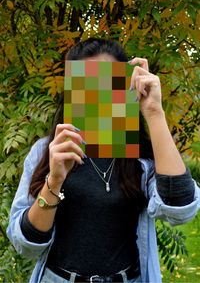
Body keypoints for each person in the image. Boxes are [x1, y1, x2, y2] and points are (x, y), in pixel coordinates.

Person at [7, 38, 199, 283]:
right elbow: (26, 245)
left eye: (110, 85)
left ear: (126, 88)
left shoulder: (141, 159)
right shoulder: (46, 151)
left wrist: (154, 112)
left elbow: (180, 211)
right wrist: (54, 180)